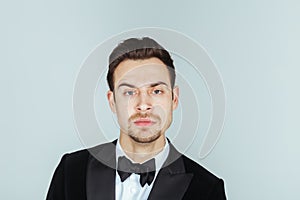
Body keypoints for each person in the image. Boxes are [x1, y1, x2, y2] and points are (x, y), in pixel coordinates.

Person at [46, 37, 227, 200]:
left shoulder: (208, 190)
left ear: (174, 99)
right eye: (130, 92)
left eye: (156, 91)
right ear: (112, 101)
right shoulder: (71, 171)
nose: (143, 105)